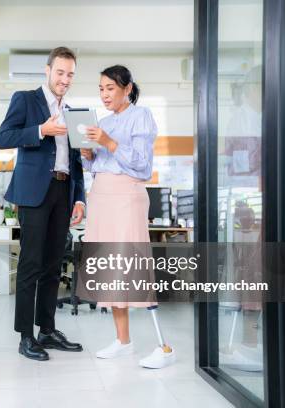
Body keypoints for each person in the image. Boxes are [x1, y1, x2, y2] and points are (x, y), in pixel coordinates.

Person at [81, 65, 176, 369]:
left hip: (126, 197)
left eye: (110, 88)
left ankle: (163, 346)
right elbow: (102, 164)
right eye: (101, 89)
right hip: (101, 196)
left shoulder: (141, 116)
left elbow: (141, 163)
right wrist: (90, 156)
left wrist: (108, 142)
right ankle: (123, 341)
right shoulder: (104, 121)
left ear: (127, 88)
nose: (104, 94)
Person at [0, 47, 86, 361]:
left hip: (63, 192)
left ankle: (47, 330)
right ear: (47, 71)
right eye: (60, 72)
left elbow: (76, 160)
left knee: (53, 265)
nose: (65, 79)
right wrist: (40, 130)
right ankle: (26, 336)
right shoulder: (25, 99)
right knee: (31, 264)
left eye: (70, 74)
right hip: (35, 192)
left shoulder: (74, 113)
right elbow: (3, 138)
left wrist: (79, 198)